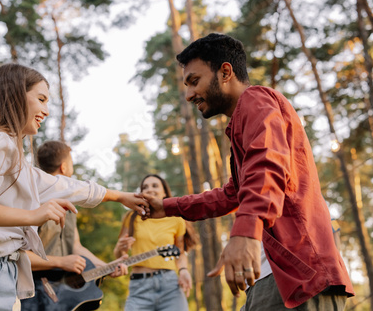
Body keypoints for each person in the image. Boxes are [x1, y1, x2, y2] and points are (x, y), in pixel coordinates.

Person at [147, 34, 354, 310]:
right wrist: (166, 207)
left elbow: (267, 165)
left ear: (225, 72)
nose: (188, 95)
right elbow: (231, 194)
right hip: (273, 275)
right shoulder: (243, 121)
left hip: (301, 274)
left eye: (194, 81)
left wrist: (244, 234)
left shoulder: (256, 100)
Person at [0, 63, 149, 311]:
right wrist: (33, 215)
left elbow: (63, 185)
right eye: (41, 99)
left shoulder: (15, 157)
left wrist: (118, 196)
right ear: (15, 95)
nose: (46, 110)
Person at [21, 140, 128, 311]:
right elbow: (19, 256)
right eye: (71, 162)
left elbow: (76, 247)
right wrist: (61, 262)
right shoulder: (33, 202)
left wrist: (106, 266)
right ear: (64, 167)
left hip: (64, 298)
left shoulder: (71, 207)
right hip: (34, 294)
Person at [114, 174, 197, 311]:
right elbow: (119, 255)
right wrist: (119, 248)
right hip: (139, 286)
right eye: (145, 187)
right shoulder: (132, 217)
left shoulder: (176, 218)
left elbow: (180, 252)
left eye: (155, 186)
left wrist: (183, 270)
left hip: (170, 285)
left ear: (164, 192)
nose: (150, 189)